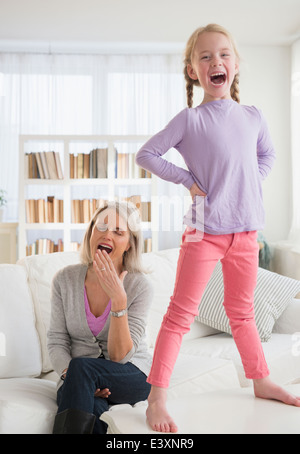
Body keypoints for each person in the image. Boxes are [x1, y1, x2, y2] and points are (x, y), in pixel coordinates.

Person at [135, 24, 300, 433]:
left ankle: (260, 381)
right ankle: (156, 398)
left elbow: (267, 153)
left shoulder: (252, 116)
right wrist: (188, 182)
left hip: (246, 231)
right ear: (193, 71)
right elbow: (147, 154)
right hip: (203, 230)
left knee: (241, 313)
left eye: (223, 54)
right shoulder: (190, 120)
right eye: (205, 57)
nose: (216, 62)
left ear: (236, 65)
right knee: (180, 313)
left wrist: (250, 178)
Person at [47, 201, 153, 434]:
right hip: (77, 376)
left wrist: (119, 301)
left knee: (83, 370)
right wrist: (72, 376)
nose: (107, 235)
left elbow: (119, 357)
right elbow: (56, 340)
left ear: (129, 244)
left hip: (130, 374)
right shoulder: (64, 280)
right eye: (101, 227)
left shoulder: (140, 286)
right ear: (91, 233)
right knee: (90, 403)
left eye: (118, 231)